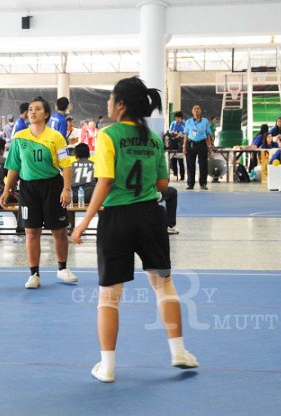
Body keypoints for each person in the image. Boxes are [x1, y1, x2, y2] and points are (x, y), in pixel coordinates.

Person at [71, 76, 198, 383]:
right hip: (151, 216)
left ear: (121, 104)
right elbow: (163, 184)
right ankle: (178, 351)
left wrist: (83, 223)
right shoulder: (153, 138)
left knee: (109, 296)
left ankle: (108, 366)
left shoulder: (108, 135)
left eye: (111, 99)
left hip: (117, 218)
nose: (107, 104)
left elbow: (105, 181)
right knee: (164, 285)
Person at [0, 96, 78, 289]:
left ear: (46, 114)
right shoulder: (19, 137)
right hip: (28, 189)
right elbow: (14, 167)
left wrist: (66, 189)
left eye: (37, 109)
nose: (32, 112)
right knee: (31, 231)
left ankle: (62, 269)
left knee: (59, 230)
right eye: (31, 109)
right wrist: (6, 189)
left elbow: (66, 165)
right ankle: (34, 274)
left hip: (53, 186)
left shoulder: (56, 137)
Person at [183, 104, 212, 190]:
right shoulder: (188, 122)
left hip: (202, 144)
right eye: (194, 109)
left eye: (198, 109)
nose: (196, 110)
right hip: (191, 144)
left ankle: (203, 183)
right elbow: (186, 134)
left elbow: (208, 135)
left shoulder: (205, 121)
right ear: (192, 111)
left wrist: (209, 147)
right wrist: (184, 146)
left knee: (203, 164)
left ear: (200, 111)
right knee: (190, 164)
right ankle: (190, 184)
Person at [168, 111, 186, 181]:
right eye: (176, 118)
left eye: (178, 118)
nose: (177, 119)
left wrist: (180, 134)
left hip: (180, 145)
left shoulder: (184, 124)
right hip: (173, 145)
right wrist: (173, 133)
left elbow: (185, 134)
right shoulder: (173, 123)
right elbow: (170, 132)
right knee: (173, 161)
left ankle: (182, 177)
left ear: (181, 118)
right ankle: (175, 175)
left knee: (181, 162)